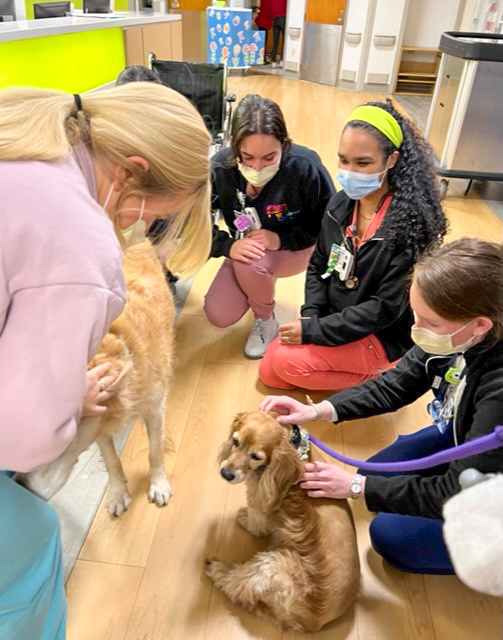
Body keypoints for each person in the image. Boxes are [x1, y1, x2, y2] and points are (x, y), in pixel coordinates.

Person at [0, 82, 211, 639]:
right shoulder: (78, 242)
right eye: (158, 215)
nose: (134, 231)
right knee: (37, 537)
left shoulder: (21, 143)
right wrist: (68, 400)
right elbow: (27, 441)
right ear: (133, 172)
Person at [260, 237, 503, 575]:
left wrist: (357, 488)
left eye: (430, 323)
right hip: (467, 434)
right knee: (374, 475)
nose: (416, 331)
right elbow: (396, 383)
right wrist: (318, 410)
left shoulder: (498, 389)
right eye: (416, 316)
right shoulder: (462, 334)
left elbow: (456, 489)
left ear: (479, 325)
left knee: (391, 536)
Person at [259, 101, 447, 391]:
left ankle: (384, 380)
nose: (349, 172)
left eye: (362, 163)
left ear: (392, 160)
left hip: (379, 334)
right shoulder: (339, 205)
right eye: (343, 160)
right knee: (270, 372)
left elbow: (383, 309)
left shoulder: (409, 226)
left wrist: (313, 332)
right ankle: (357, 372)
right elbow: (319, 265)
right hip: (336, 319)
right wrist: (311, 315)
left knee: (282, 364)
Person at [205, 94, 335, 359]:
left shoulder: (305, 166)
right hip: (245, 249)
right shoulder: (220, 168)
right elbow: (195, 225)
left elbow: (330, 224)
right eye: (247, 157)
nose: (257, 167)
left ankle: (265, 319)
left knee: (250, 261)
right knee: (218, 314)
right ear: (235, 149)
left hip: (298, 249)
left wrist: (281, 239)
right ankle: (257, 276)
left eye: (269, 157)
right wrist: (229, 245)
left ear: (284, 146)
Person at [256, 0, 287, 67]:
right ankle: (282, 59)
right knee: (285, 41)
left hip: (275, 18)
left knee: (275, 40)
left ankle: (272, 59)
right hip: (284, 17)